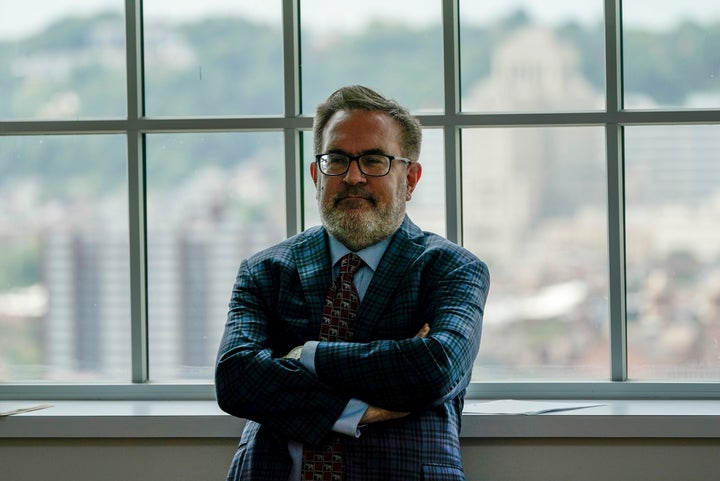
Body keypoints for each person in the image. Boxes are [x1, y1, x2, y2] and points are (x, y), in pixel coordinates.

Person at [215, 85, 490, 481]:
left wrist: (303, 357)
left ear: (410, 178)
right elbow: (235, 379)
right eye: (337, 160)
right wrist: (359, 410)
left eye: (374, 161)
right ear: (316, 174)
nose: (353, 177)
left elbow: (434, 369)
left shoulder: (452, 269)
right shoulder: (265, 270)